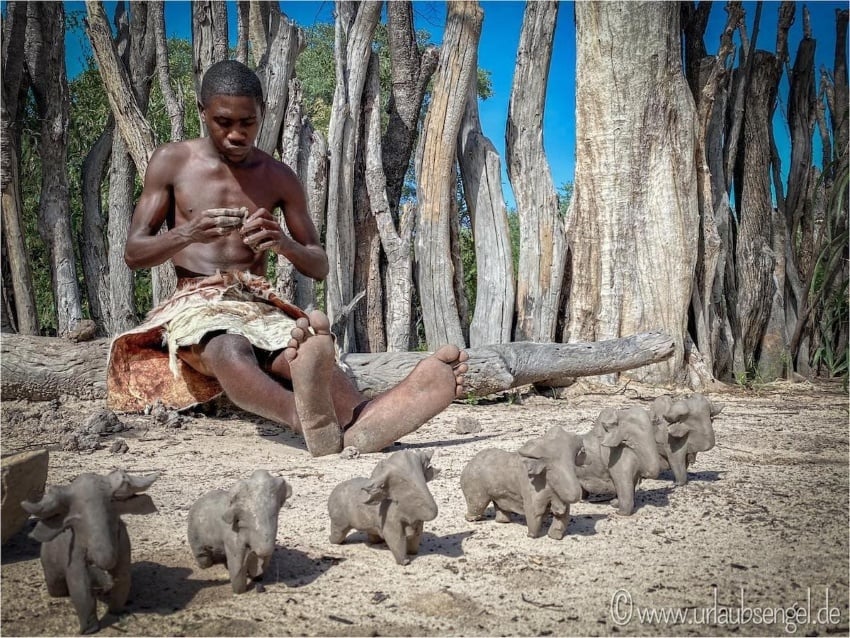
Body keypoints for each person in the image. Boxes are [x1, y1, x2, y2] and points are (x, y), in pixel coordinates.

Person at [106, 59, 468, 457]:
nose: (236, 134)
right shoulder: (172, 162)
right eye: (223, 122)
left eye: (248, 122)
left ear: (262, 113)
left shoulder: (278, 176)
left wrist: (282, 243)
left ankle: (371, 415)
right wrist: (187, 233)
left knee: (296, 353)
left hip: (257, 303)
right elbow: (133, 253)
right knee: (229, 347)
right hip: (197, 304)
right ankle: (305, 418)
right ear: (202, 111)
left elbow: (318, 264)